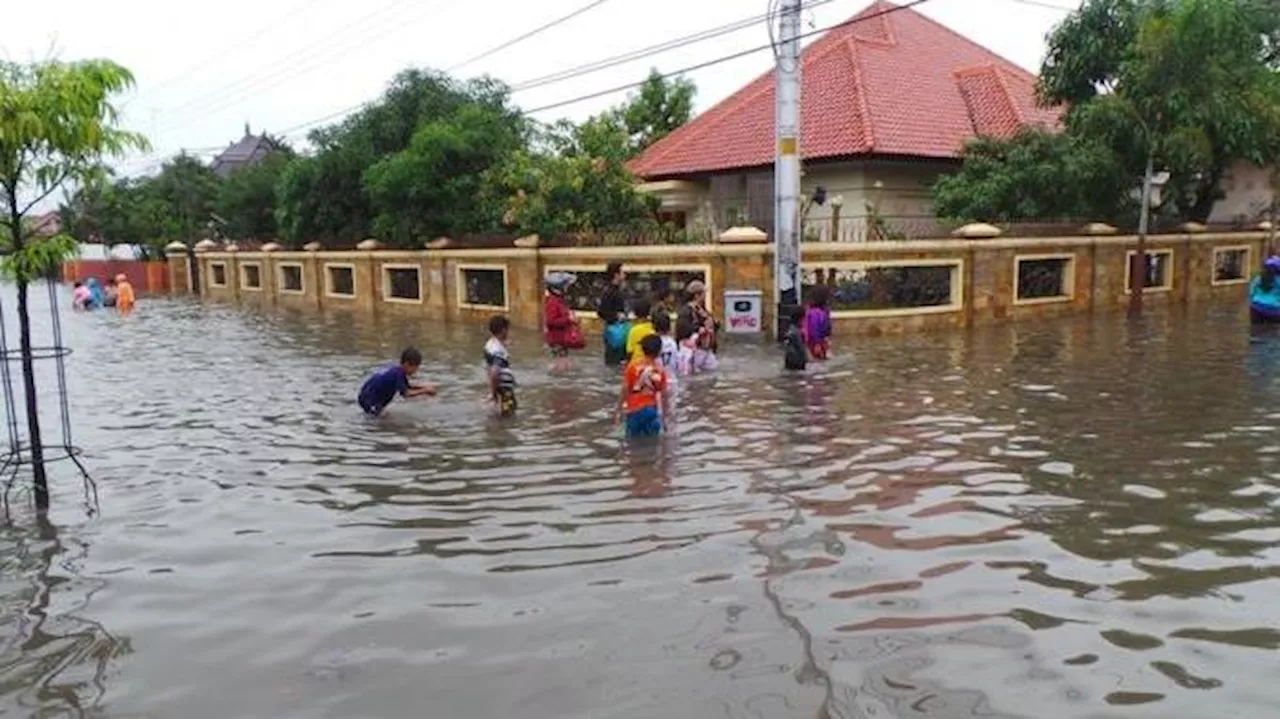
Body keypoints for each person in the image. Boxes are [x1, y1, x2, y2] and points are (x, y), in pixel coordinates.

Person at [357, 347, 436, 416]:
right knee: (381, 422)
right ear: (407, 364)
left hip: (366, 396)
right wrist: (425, 390)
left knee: (384, 417)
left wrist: (424, 388)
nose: (416, 371)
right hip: (369, 401)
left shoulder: (397, 371)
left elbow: (407, 386)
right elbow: (406, 393)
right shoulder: (398, 374)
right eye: (415, 367)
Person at [617, 334, 668, 438]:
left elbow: (625, 389)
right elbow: (664, 396)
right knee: (652, 442)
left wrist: (619, 410)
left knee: (631, 442)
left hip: (634, 410)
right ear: (659, 352)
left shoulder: (632, 366)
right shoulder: (660, 370)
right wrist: (664, 419)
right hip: (651, 411)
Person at [678, 280, 718, 372]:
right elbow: (682, 327)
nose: (705, 295)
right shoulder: (687, 310)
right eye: (703, 293)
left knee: (713, 370)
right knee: (694, 373)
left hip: (707, 348)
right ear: (696, 295)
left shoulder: (702, 309)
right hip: (695, 348)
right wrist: (699, 329)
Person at [543, 272, 582, 363]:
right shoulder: (553, 302)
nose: (567, 288)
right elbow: (550, 321)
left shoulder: (560, 301)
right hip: (557, 340)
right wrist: (569, 320)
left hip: (561, 339)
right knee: (560, 365)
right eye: (565, 286)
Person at [485, 315, 518, 417]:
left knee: (501, 414)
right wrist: (493, 393)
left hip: (501, 387)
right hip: (504, 390)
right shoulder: (497, 350)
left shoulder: (491, 344)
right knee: (508, 415)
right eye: (507, 330)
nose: (509, 332)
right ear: (503, 330)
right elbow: (495, 371)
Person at [598, 261, 629, 366]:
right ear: (616, 275)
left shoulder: (618, 290)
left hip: (620, 329)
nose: (625, 275)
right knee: (613, 361)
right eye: (622, 272)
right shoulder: (609, 291)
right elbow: (601, 312)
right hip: (614, 331)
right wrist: (616, 316)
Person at [803, 285, 833, 359]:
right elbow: (814, 328)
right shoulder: (815, 313)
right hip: (816, 343)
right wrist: (817, 344)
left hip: (819, 341)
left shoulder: (819, 311)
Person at [625, 297, 657, 362]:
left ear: (635, 313)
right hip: (650, 363)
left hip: (636, 364)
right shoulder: (653, 328)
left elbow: (629, 352)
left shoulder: (633, 330)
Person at [1250, 256, 1280, 323]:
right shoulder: (1278, 280)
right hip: (1274, 309)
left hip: (1256, 307)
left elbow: (1251, 292)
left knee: (1255, 330)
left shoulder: (1258, 278)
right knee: (1272, 330)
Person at [653, 311, 679, 379]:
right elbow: (677, 363)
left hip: (658, 380)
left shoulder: (653, 342)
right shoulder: (673, 343)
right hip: (672, 379)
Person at [784, 306, 808, 371]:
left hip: (790, 361)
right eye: (805, 318)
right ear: (800, 319)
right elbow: (800, 348)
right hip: (796, 362)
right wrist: (805, 359)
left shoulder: (790, 330)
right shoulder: (796, 332)